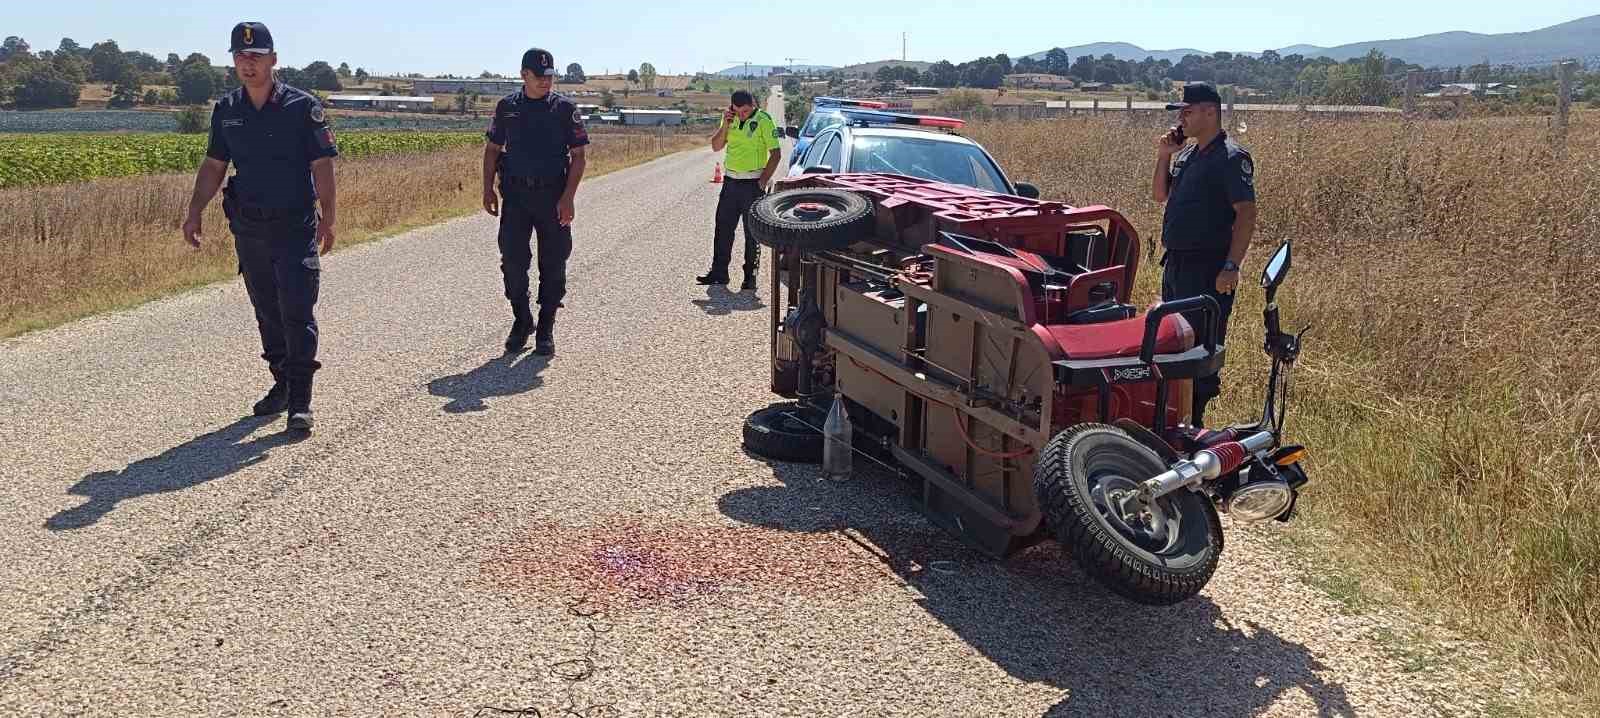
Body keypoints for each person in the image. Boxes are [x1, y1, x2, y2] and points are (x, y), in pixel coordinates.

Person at [182, 21, 338, 433]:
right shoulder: (227, 110)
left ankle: (301, 401)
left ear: (273, 59)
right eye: (240, 56)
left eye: (255, 56)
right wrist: (194, 210)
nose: (247, 64)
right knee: (267, 310)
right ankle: (282, 383)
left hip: (295, 224)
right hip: (249, 227)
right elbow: (215, 165)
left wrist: (331, 218)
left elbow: (322, 165)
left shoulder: (303, 107)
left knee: (297, 309)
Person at [1151, 82, 1257, 427]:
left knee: (1200, 350)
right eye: (1180, 112)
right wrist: (1165, 154)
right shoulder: (1189, 155)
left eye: (1188, 111)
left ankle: (1194, 425)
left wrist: (1231, 265)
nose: (1182, 118)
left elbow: (1246, 213)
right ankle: (1172, 420)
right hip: (1177, 265)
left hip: (1208, 269)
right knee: (1172, 342)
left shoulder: (1230, 157)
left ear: (1210, 112)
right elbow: (1159, 195)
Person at [483, 47, 589, 355]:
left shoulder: (564, 109)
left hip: (553, 196)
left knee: (553, 262)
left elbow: (579, 156)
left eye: (550, 76)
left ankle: (545, 325)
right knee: (513, 262)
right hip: (515, 196)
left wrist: (568, 198)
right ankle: (522, 319)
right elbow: (492, 149)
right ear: (523, 75)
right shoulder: (507, 108)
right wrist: (487, 189)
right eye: (540, 76)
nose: (546, 81)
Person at [698, 90, 782, 293]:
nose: (742, 115)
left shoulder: (764, 120)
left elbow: (776, 154)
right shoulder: (730, 119)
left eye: (745, 111)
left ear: (752, 105)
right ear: (732, 108)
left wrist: (763, 180)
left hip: (753, 184)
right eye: (738, 111)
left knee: (752, 233)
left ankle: (749, 276)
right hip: (730, 182)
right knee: (723, 229)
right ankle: (719, 273)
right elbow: (716, 147)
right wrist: (726, 124)